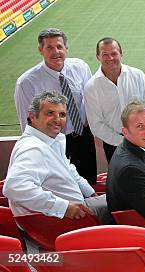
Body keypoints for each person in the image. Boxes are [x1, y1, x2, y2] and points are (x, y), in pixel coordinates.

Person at [3, 91, 110, 223]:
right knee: (127, 203)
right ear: (32, 116)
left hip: (76, 209)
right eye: (50, 113)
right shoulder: (33, 148)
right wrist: (63, 207)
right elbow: (14, 187)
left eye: (62, 114)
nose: (57, 119)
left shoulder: (52, 140)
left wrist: (89, 192)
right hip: (60, 221)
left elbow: (68, 168)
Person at [14, 28, 96, 184]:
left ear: (66, 48)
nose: (55, 52)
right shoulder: (27, 82)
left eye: (59, 47)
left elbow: (90, 100)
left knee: (88, 181)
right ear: (40, 50)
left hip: (84, 136)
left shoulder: (80, 67)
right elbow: (27, 123)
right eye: (49, 47)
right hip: (52, 142)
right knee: (62, 186)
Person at [84, 37, 145, 162]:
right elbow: (96, 125)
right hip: (113, 145)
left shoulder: (137, 75)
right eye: (105, 54)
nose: (110, 58)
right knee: (121, 180)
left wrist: (141, 136)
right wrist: (123, 141)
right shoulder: (91, 87)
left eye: (114, 53)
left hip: (141, 139)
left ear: (121, 54)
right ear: (98, 56)